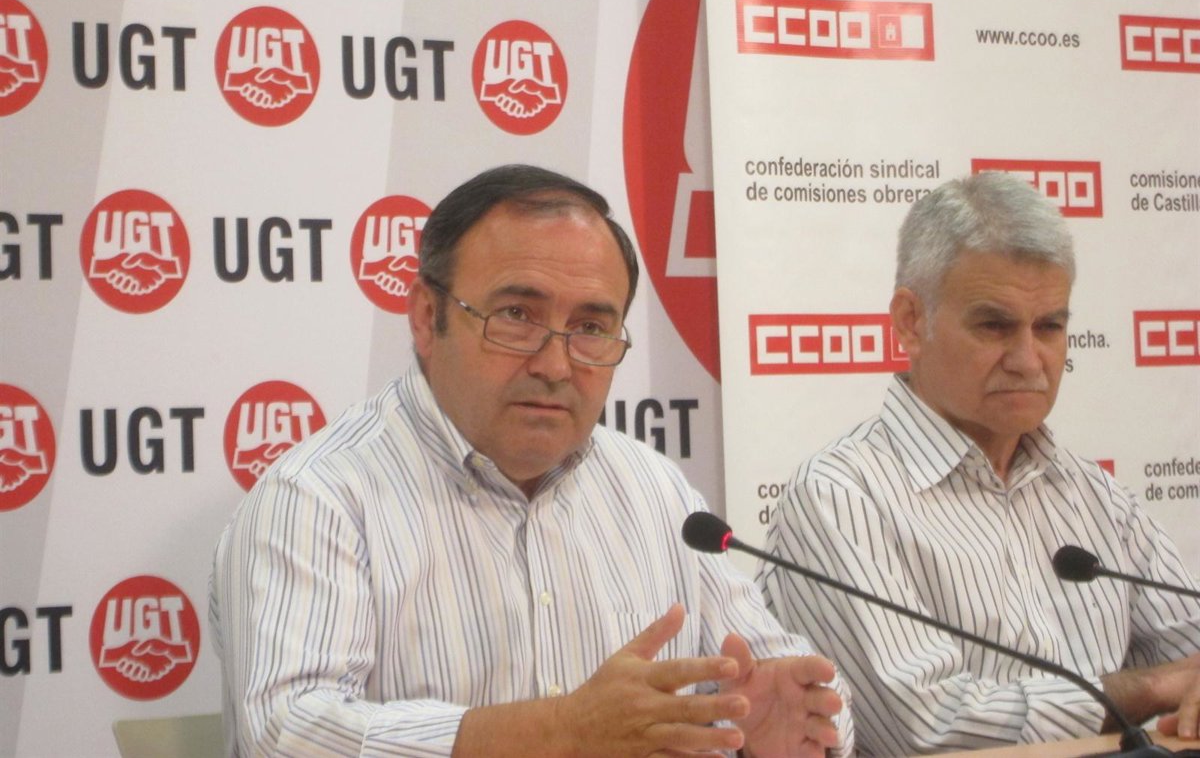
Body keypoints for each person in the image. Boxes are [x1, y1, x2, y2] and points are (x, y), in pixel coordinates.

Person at [211, 164, 853, 757]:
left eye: (591, 328)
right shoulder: (318, 497)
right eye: (516, 316)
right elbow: (288, 733)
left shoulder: (653, 490)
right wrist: (563, 731)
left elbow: (777, 673)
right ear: (427, 317)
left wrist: (773, 721)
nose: (555, 365)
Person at [761, 172, 1200, 755]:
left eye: (1050, 327)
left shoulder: (1095, 494)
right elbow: (928, 730)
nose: (1028, 360)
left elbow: (1191, 656)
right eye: (995, 325)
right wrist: (1150, 690)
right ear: (911, 321)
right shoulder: (839, 496)